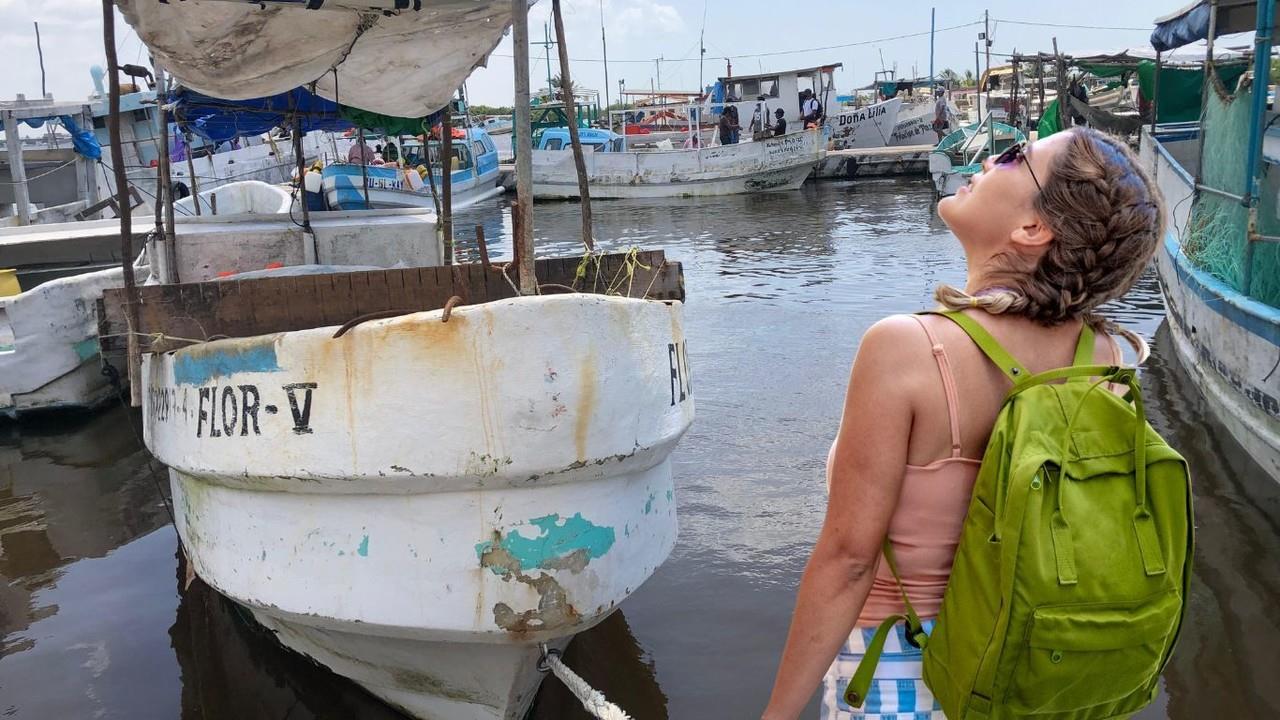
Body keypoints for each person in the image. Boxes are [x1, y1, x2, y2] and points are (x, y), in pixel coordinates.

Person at [761, 127, 1164, 720]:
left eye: (1013, 157)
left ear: (1033, 229)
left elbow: (849, 561)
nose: (986, 161)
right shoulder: (1102, 355)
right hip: (1027, 668)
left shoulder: (908, 348)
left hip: (904, 670)